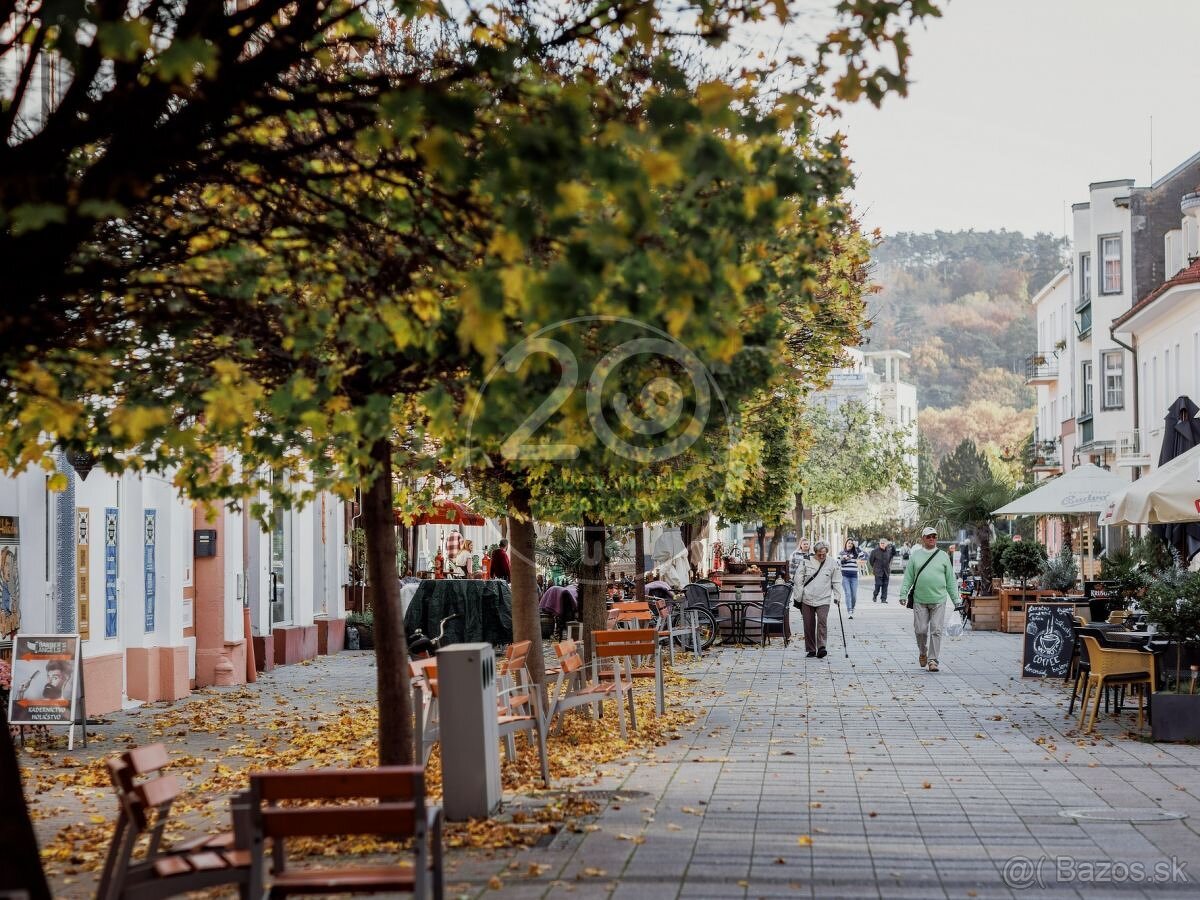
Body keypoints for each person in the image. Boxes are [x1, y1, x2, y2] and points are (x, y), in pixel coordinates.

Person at [899, 526, 958, 673]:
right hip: (920, 599)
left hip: (939, 599)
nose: (932, 538)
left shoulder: (943, 556)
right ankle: (923, 651)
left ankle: (933, 660)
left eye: (934, 536)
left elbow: (950, 580)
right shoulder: (916, 556)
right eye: (928, 536)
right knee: (920, 630)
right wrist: (903, 594)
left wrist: (956, 600)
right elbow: (908, 577)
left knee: (936, 630)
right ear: (923, 538)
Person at [792, 540, 841, 659]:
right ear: (815, 552)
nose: (822, 556)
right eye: (820, 554)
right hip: (807, 598)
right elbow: (798, 580)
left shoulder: (832, 563)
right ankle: (811, 649)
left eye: (824, 554)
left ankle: (822, 647)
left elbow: (836, 581)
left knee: (822, 622)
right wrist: (798, 597)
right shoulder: (806, 561)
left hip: (824, 598)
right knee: (808, 625)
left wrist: (837, 596)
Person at [838, 539, 862, 619]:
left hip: (854, 577)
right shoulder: (842, 553)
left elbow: (863, 556)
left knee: (854, 595)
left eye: (852, 543)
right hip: (845, 576)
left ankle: (852, 607)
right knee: (848, 593)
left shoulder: (855, 553)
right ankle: (849, 610)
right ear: (846, 544)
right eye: (849, 543)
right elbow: (837, 563)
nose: (850, 544)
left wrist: (857, 547)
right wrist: (845, 559)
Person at [868, 538, 896, 603]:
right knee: (878, 584)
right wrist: (875, 567)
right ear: (879, 544)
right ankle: (875, 595)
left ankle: (883, 599)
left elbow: (894, 553)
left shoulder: (888, 551)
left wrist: (893, 546)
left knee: (885, 585)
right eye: (881, 543)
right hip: (878, 571)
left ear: (886, 544)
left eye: (884, 543)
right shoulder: (874, 551)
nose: (882, 544)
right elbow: (871, 561)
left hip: (886, 571)